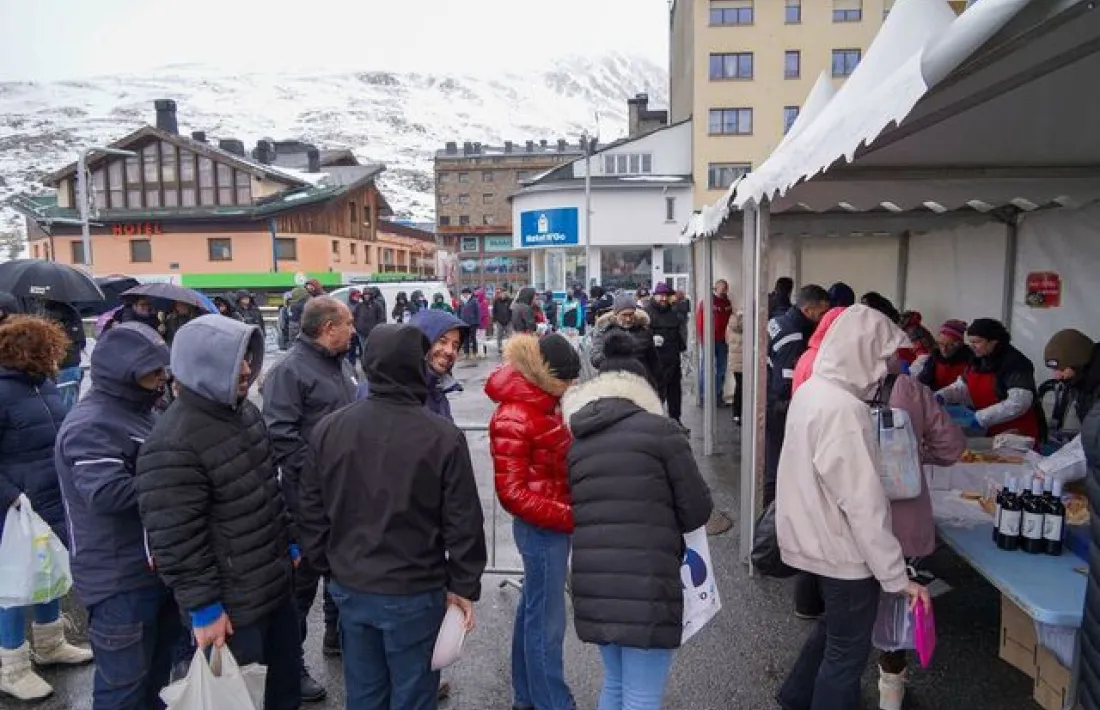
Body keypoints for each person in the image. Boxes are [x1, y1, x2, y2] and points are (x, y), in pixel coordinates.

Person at [300, 324, 487, 710]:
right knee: (413, 694)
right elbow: (463, 520)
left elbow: (311, 511)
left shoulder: (329, 429)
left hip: (353, 583)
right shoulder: (442, 436)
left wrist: (328, 566)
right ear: (414, 366)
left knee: (365, 693)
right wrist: (463, 584)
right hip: (413, 588)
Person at [791, 307, 965, 710]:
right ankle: (891, 694)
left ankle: (797, 693)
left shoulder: (817, 391)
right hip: (881, 532)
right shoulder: (872, 401)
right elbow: (865, 501)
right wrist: (913, 455)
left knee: (840, 628)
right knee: (873, 634)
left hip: (833, 533)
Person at [136, 316, 301, 710]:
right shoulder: (172, 443)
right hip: (232, 608)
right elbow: (175, 538)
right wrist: (205, 607)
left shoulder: (244, 414)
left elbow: (267, 490)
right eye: (234, 359)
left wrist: (289, 542)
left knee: (282, 691)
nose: (246, 368)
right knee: (240, 697)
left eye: (247, 357)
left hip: (273, 586)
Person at [562, 332, 713, 710]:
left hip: (593, 582)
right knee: (642, 696)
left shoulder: (579, 441)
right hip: (646, 585)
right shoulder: (662, 432)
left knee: (615, 684)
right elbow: (696, 510)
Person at [54, 321, 183, 710]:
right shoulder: (91, 424)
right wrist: (176, 477)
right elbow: (107, 493)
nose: (162, 378)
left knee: (155, 682)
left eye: (164, 369)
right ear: (123, 371)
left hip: (152, 569)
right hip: (119, 581)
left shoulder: (143, 409)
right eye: (152, 371)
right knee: (123, 689)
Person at [261, 297, 358, 702]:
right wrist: (321, 473)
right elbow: (281, 434)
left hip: (344, 494)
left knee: (342, 571)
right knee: (301, 584)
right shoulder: (289, 371)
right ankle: (292, 664)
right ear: (329, 327)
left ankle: (337, 638)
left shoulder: (342, 365)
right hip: (306, 499)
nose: (354, 330)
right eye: (349, 324)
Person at [0, 316, 92, 702]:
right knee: (14, 586)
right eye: (50, 349)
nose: (57, 355)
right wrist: (10, 496)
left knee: (47, 570)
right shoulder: (4, 393)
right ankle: (12, 667)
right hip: (14, 507)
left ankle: (50, 642)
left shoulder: (44, 387)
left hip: (49, 498)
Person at [487, 333, 580, 710]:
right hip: (544, 528)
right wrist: (568, 516)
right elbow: (512, 492)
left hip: (548, 523)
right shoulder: (518, 413)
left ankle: (528, 696)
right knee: (546, 622)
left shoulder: (535, 403)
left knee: (534, 612)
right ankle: (552, 702)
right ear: (549, 377)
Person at [764, 284, 831, 509]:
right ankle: (773, 515)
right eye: (822, 312)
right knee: (777, 462)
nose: (823, 318)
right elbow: (785, 382)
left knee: (771, 458)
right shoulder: (794, 336)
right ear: (809, 309)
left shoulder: (779, 320)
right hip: (778, 405)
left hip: (766, 396)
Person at [936, 318, 1046, 444]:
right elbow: (962, 386)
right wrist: (943, 395)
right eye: (971, 342)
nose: (972, 346)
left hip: (1018, 433)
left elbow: (1019, 402)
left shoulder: (1015, 363)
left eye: (977, 342)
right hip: (992, 431)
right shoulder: (978, 360)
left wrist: (980, 418)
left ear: (993, 342)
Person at [591, 293, 660, 386]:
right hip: (612, 384)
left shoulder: (644, 331)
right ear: (616, 314)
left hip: (641, 385)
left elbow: (654, 364)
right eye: (624, 315)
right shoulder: (604, 331)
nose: (628, 319)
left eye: (631, 314)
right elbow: (595, 360)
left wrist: (658, 389)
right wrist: (610, 351)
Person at [645, 283, 689, 428]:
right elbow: (640, 335)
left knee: (674, 393)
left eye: (666, 295)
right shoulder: (647, 312)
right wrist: (650, 339)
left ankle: (675, 420)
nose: (663, 298)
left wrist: (683, 348)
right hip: (655, 361)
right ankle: (653, 423)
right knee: (656, 393)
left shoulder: (674, 311)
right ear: (655, 295)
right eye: (660, 295)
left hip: (673, 359)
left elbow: (679, 331)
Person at [41, 299, 87, 412]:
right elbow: (81, 342)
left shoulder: (53, 312)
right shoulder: (71, 311)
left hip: (62, 367)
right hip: (70, 365)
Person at [696, 279, 734, 404]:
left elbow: (729, 320)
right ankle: (703, 396)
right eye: (722, 288)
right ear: (716, 288)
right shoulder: (707, 302)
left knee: (721, 369)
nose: (724, 291)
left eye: (725, 288)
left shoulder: (727, 302)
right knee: (706, 368)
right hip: (709, 340)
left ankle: (717, 396)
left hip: (722, 340)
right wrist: (703, 339)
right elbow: (700, 322)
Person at [918, 320, 971, 392]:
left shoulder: (970, 359)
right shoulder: (934, 357)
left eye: (950, 345)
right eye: (941, 344)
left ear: (959, 344)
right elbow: (922, 381)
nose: (944, 349)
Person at [723, 307, 744, 425]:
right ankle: (743, 413)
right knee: (746, 388)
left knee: (739, 387)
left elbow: (727, 339)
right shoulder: (750, 324)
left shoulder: (731, 323)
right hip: (745, 360)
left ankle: (737, 414)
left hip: (735, 361)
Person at [459, 288, 481, 358]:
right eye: (463, 293)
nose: (465, 295)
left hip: (472, 322)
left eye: (466, 293)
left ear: (469, 294)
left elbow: (478, 312)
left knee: (473, 338)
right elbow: (459, 312)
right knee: (465, 338)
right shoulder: (461, 302)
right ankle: (466, 353)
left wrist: (477, 322)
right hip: (464, 323)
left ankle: (475, 352)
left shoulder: (474, 301)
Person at [493, 288, 513, 352]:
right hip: (499, 321)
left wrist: (510, 319)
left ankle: (510, 348)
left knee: (510, 336)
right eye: (501, 293)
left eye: (504, 293)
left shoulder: (510, 301)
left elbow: (512, 311)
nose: (503, 295)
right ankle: (500, 348)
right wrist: (495, 319)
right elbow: (494, 311)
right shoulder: (496, 301)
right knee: (499, 336)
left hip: (508, 322)